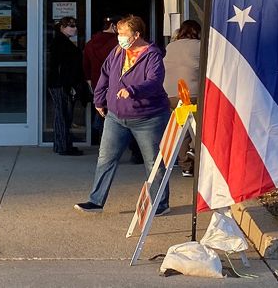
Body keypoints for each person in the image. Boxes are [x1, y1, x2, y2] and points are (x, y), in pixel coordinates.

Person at [75, 15, 171, 214]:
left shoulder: (152, 55)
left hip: (148, 117)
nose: (119, 37)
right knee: (105, 159)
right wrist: (99, 100)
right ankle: (96, 201)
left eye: (123, 33)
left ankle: (160, 204)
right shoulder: (118, 51)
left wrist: (133, 90)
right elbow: (104, 76)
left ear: (136, 35)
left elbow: (154, 81)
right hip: (116, 116)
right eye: (119, 33)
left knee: (154, 162)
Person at [83, 15, 142, 162]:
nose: (120, 35)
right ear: (114, 27)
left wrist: (91, 83)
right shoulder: (116, 47)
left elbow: (86, 65)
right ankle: (135, 152)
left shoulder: (91, 43)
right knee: (129, 121)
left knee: (107, 124)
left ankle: (107, 153)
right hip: (120, 88)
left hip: (99, 85)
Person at [163, 20, 201, 177]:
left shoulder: (170, 46)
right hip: (192, 95)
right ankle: (193, 149)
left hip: (170, 95)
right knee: (201, 124)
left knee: (182, 129)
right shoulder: (199, 45)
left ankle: (186, 166)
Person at [46, 16, 84, 156]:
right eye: (70, 26)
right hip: (61, 84)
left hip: (62, 83)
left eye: (75, 26)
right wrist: (69, 85)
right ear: (62, 28)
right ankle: (63, 146)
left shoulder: (62, 42)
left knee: (63, 115)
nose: (74, 28)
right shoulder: (60, 43)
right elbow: (62, 67)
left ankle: (63, 144)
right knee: (62, 115)